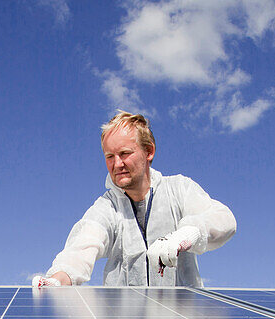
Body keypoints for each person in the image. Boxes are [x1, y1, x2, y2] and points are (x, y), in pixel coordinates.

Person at [34, 111, 236, 288]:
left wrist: (187, 234)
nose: (117, 164)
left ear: (149, 151)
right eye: (110, 156)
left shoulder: (178, 189)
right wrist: (58, 279)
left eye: (125, 153)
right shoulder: (107, 207)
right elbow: (81, 248)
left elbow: (224, 220)